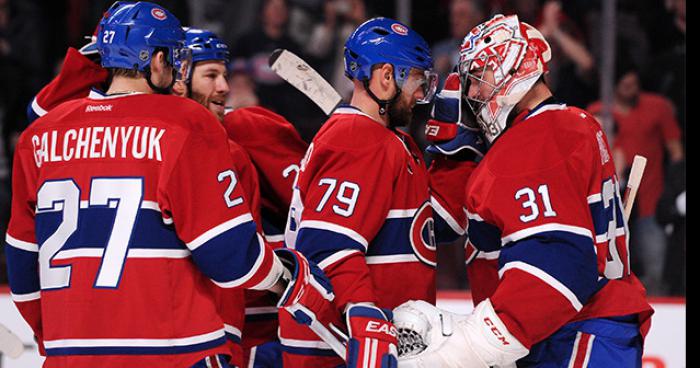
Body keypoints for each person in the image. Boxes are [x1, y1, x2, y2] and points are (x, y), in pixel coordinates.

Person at [4, 2, 330, 367]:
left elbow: (21, 261)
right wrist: (287, 276)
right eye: (176, 61)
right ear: (158, 61)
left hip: (71, 352)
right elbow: (230, 256)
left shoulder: (41, 135)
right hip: (172, 350)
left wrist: (56, 338)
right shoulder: (184, 122)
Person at [394, 14, 653, 367]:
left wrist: (465, 348)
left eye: (478, 78)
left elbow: (554, 268)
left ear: (511, 67)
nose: (471, 94)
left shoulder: (538, 137)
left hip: (573, 336)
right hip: (578, 332)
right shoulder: (566, 124)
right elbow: (443, 226)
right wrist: (458, 158)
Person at [279, 17, 440, 367]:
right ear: (386, 77)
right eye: (417, 81)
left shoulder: (387, 140)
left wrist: (457, 154)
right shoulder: (359, 139)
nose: (420, 96)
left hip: (370, 344)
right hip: (341, 349)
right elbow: (327, 245)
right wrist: (365, 316)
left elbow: (425, 231)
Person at [587, 65, 684, 295]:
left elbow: (677, 153)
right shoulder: (596, 114)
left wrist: (673, 194)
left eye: (635, 84)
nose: (631, 90)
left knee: (655, 271)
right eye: (625, 85)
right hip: (601, 220)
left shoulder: (656, 107)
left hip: (649, 202)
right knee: (604, 277)